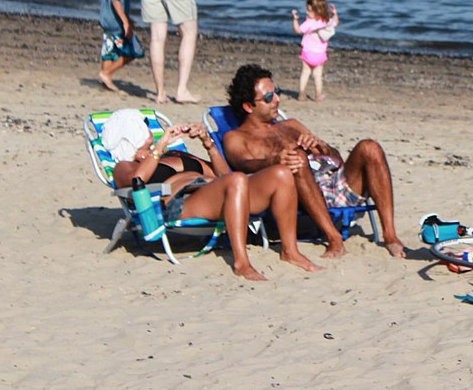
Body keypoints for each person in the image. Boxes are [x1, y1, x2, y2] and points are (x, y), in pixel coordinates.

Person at [104, 111, 319, 280]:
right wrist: (159, 148)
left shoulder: (175, 154)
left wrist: (208, 143)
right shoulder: (125, 165)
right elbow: (136, 180)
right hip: (181, 202)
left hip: (220, 192)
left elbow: (225, 175)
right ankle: (241, 262)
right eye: (144, 130)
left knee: (281, 174)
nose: (150, 134)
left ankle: (290, 251)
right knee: (237, 181)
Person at [222, 64, 407, 258]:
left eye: (277, 92)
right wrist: (275, 160)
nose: (277, 100)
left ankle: (390, 235)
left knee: (370, 147)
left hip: (337, 185)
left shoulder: (291, 125)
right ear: (248, 106)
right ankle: (334, 238)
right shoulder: (236, 137)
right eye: (269, 98)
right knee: (298, 159)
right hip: (302, 197)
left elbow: (337, 160)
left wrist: (321, 147)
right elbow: (242, 164)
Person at [291, 0, 338, 101]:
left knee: (305, 73)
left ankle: (302, 94)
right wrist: (335, 13)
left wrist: (295, 20)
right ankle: (318, 95)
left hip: (307, 52)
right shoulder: (326, 22)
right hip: (321, 54)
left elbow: (298, 30)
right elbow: (336, 22)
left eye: (309, 11)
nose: (307, 13)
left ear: (317, 11)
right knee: (318, 76)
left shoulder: (309, 23)